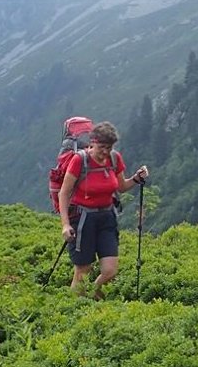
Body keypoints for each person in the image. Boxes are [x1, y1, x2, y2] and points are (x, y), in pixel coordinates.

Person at [58, 121, 148, 299]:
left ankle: (91, 295)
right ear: (92, 142)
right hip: (83, 219)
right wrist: (65, 225)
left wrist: (137, 179)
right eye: (101, 147)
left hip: (107, 218)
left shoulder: (115, 159)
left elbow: (121, 186)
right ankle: (73, 308)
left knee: (110, 271)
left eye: (109, 147)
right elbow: (64, 193)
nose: (105, 152)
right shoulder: (79, 160)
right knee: (83, 270)